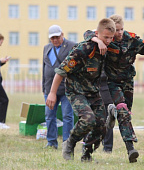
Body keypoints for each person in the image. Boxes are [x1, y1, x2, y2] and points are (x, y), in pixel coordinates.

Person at [84, 14, 144, 163]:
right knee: (123, 111)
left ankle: (112, 113)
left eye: (121, 29)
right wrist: (98, 41)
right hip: (112, 82)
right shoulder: (106, 38)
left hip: (128, 82)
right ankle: (130, 148)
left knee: (126, 114)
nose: (119, 33)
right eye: (116, 30)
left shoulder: (130, 38)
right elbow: (87, 34)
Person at [46, 18, 116, 162]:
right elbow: (61, 71)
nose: (108, 41)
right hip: (76, 91)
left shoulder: (108, 46)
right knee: (88, 119)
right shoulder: (83, 49)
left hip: (93, 92)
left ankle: (87, 155)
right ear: (98, 35)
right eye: (105, 37)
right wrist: (52, 93)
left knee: (102, 126)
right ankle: (69, 143)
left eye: (111, 38)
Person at [42, 25, 76, 149]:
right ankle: (51, 142)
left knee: (67, 115)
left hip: (66, 89)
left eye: (57, 37)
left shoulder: (72, 46)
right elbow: (44, 68)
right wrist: (44, 88)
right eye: (52, 38)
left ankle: (67, 143)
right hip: (49, 89)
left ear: (62, 34)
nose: (55, 40)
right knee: (49, 115)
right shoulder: (46, 48)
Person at [99, 71, 114, 153]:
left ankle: (108, 147)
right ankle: (87, 144)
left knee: (108, 121)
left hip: (106, 93)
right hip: (93, 93)